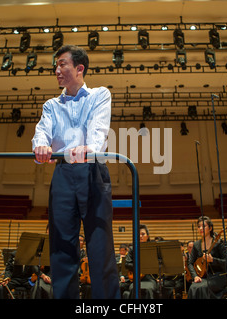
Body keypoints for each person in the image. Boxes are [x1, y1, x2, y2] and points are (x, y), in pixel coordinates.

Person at [32, 44, 120, 299]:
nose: (56, 69)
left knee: (99, 246)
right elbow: (42, 132)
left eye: (62, 64)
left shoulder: (99, 95)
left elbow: (99, 130)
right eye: (56, 65)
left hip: (93, 171)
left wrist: (89, 148)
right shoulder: (51, 105)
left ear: (79, 68)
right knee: (61, 247)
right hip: (63, 173)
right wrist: (40, 146)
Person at [187, 216, 227, 299]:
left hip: (219, 276)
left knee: (202, 288)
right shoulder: (196, 245)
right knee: (193, 287)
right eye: (199, 226)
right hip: (203, 277)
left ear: (210, 228)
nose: (200, 228)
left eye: (204, 226)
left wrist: (213, 260)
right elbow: (190, 263)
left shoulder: (219, 243)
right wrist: (195, 276)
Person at [124, 224, 158, 299]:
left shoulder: (153, 249)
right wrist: (139, 265)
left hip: (150, 279)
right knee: (134, 288)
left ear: (148, 236)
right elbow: (127, 263)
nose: (140, 236)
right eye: (138, 234)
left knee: (149, 289)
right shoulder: (132, 249)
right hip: (136, 278)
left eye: (143, 234)